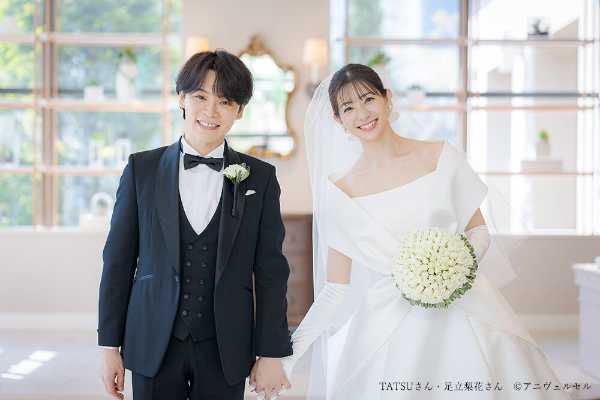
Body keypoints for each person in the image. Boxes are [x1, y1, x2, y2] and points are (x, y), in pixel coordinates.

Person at [281, 63, 570, 399]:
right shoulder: (340, 193)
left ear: (387, 98)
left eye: (368, 99)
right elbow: (334, 290)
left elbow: (478, 231)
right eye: (348, 108)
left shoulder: (440, 156)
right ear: (338, 120)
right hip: (387, 324)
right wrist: (286, 358)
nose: (362, 113)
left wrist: (452, 268)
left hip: (465, 305)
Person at [98, 50, 292, 400]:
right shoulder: (141, 170)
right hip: (152, 341)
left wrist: (271, 352)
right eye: (201, 97)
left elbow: (271, 272)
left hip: (226, 346)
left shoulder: (260, 178)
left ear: (239, 110)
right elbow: (117, 262)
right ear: (182, 99)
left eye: (225, 101)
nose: (211, 111)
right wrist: (109, 346)